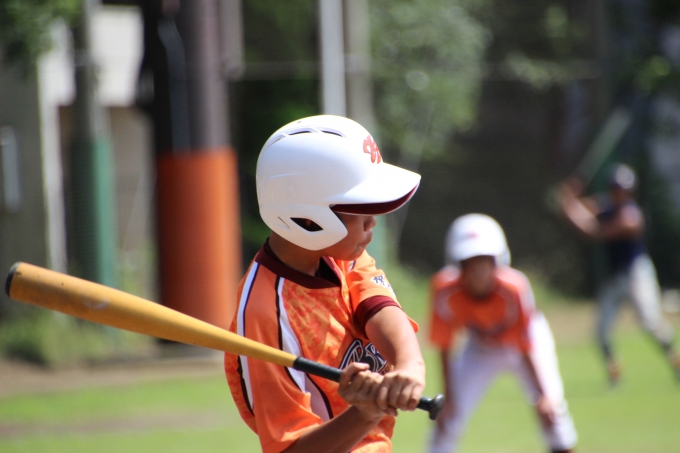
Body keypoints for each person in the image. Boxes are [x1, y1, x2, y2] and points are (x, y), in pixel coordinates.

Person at [224, 115, 427, 453]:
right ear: (308, 219)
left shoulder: (341, 255)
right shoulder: (264, 313)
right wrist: (364, 414)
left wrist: (410, 365)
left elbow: (379, 307)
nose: (373, 222)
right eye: (360, 209)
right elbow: (289, 449)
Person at [428, 214, 577, 453]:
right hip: (480, 347)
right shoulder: (445, 290)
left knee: (553, 412)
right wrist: (450, 397)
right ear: (458, 265)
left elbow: (526, 343)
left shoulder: (514, 287)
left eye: (484, 261)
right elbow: (445, 344)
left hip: (525, 348)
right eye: (470, 262)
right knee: (446, 418)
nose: (478, 270)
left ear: (497, 261)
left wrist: (543, 395)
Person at [559, 163, 680, 385]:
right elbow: (579, 210)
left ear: (631, 192)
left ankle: (675, 360)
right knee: (601, 330)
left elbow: (594, 231)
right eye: (615, 188)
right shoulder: (606, 206)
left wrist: (571, 204)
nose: (619, 193)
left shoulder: (631, 216)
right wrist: (569, 197)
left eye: (623, 190)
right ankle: (614, 373)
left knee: (650, 322)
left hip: (637, 274)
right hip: (616, 277)